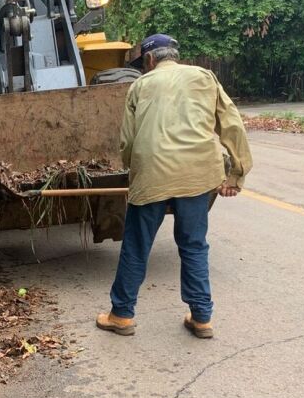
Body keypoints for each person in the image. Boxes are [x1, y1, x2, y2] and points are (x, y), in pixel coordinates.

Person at [96, 34, 253, 339]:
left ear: (150, 60)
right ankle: (202, 317)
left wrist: (134, 170)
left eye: (143, 64)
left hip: (153, 172)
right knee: (194, 245)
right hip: (197, 176)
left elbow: (127, 142)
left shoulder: (139, 86)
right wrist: (236, 174)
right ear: (174, 56)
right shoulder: (205, 77)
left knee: (137, 246)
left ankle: (122, 315)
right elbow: (232, 125)